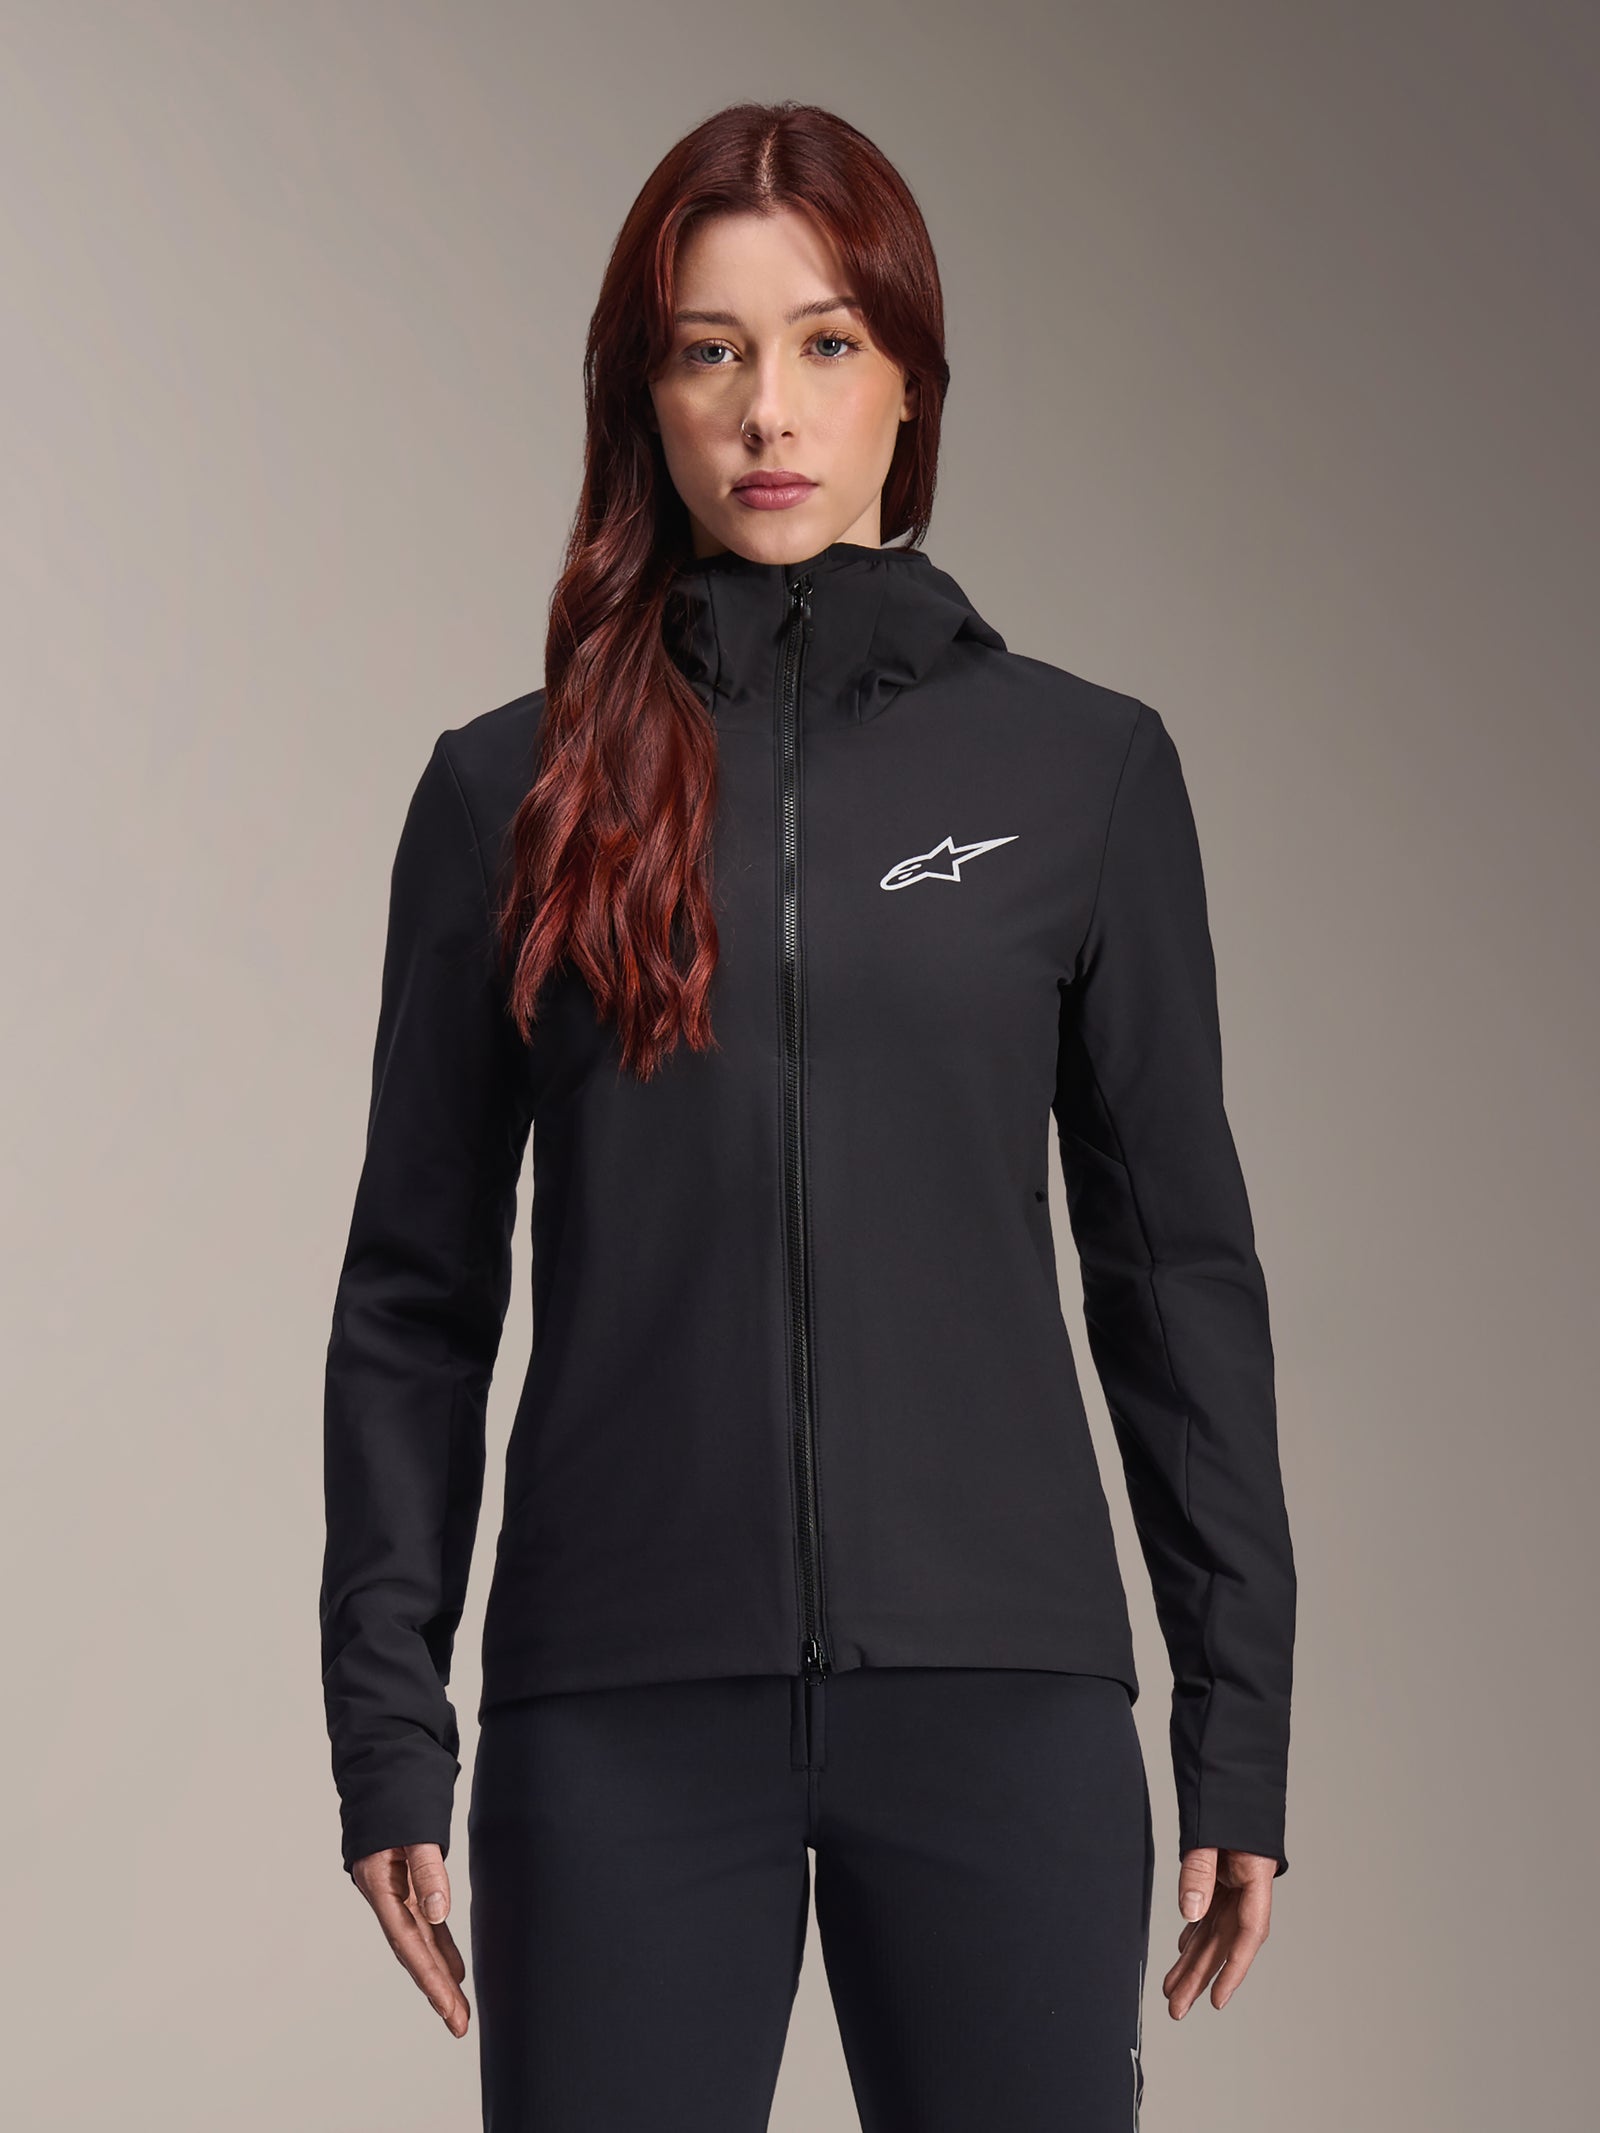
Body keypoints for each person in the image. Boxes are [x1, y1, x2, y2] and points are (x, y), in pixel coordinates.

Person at [318, 97, 1296, 2133]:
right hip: (618, 1712)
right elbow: (413, 1292)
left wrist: (1239, 1723)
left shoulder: (1080, 774)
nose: (769, 407)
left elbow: (1176, 1277)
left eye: (826, 342)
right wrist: (389, 1721)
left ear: (909, 381)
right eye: (711, 349)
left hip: (998, 1701)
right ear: (645, 389)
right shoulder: (507, 794)